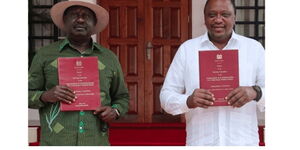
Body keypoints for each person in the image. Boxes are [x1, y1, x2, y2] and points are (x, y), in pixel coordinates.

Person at [160, 0, 265, 146]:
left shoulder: (254, 49)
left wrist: (255, 92)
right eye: (212, 15)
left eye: (225, 14)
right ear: (204, 19)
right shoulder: (187, 50)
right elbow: (166, 97)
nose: (218, 20)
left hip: (243, 142)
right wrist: (188, 101)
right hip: (201, 142)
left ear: (234, 17)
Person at [28, 1, 129, 146]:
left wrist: (115, 111)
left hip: (95, 141)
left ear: (94, 23)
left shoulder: (109, 58)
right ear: (64, 21)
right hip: (56, 142)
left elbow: (122, 97)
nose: (80, 19)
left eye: (86, 16)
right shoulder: (45, 55)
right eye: (74, 15)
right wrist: (45, 95)